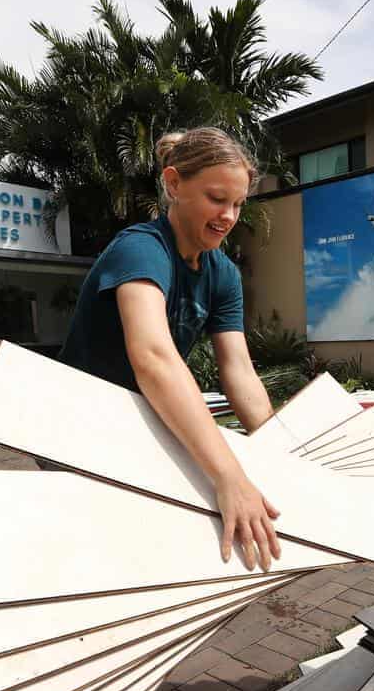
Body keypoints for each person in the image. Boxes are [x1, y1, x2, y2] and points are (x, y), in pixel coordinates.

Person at [58, 127, 281, 572]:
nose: (229, 216)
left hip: (142, 420)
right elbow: (155, 359)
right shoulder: (140, 249)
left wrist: (283, 452)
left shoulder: (223, 275)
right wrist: (229, 477)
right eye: (217, 199)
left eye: (238, 204)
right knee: (98, 555)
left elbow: (239, 372)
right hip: (78, 428)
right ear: (174, 184)